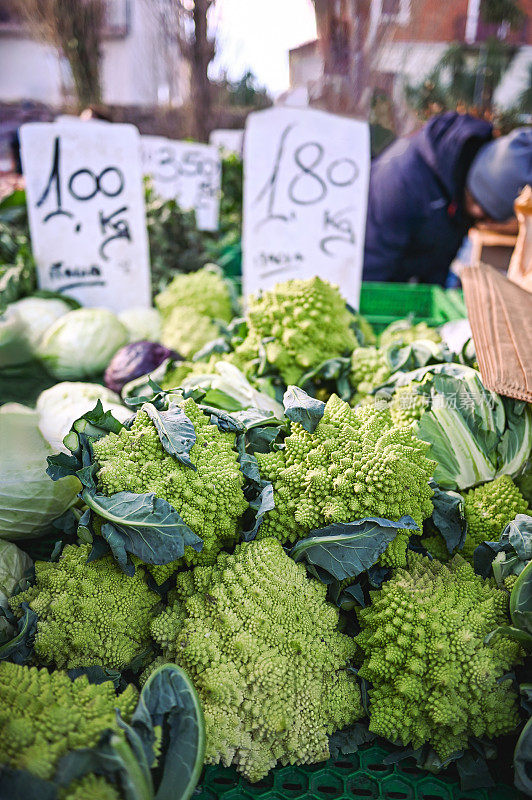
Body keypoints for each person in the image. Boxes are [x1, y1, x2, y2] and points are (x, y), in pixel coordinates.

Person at [363, 112, 532, 285]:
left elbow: (439, 259)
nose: (476, 212)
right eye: (475, 201)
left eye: (486, 215)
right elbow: (371, 270)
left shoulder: (458, 191)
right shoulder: (400, 182)